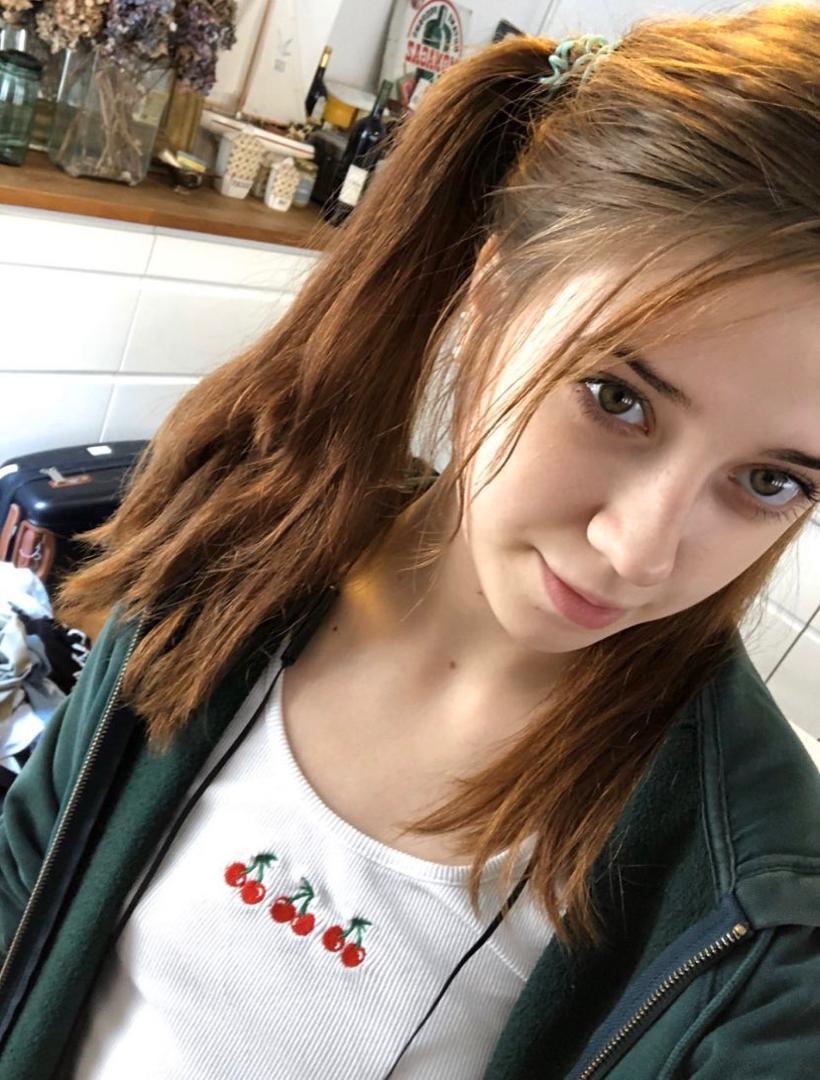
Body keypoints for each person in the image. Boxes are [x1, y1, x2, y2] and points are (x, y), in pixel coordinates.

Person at [1, 5, 819, 1078]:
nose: (640, 551)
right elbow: (26, 889)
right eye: (617, 398)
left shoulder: (763, 911)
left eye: (769, 482)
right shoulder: (240, 542)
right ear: (489, 300)